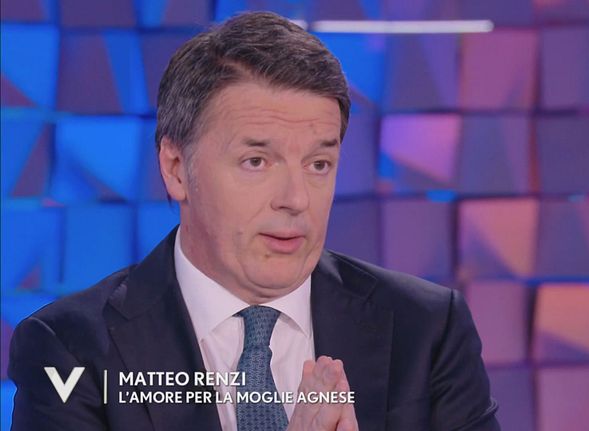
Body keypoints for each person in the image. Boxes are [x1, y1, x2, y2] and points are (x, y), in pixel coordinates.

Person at [9, 11, 499, 431]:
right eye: (256, 162)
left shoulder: (427, 329)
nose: (296, 200)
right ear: (176, 169)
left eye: (318, 164)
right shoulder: (71, 349)